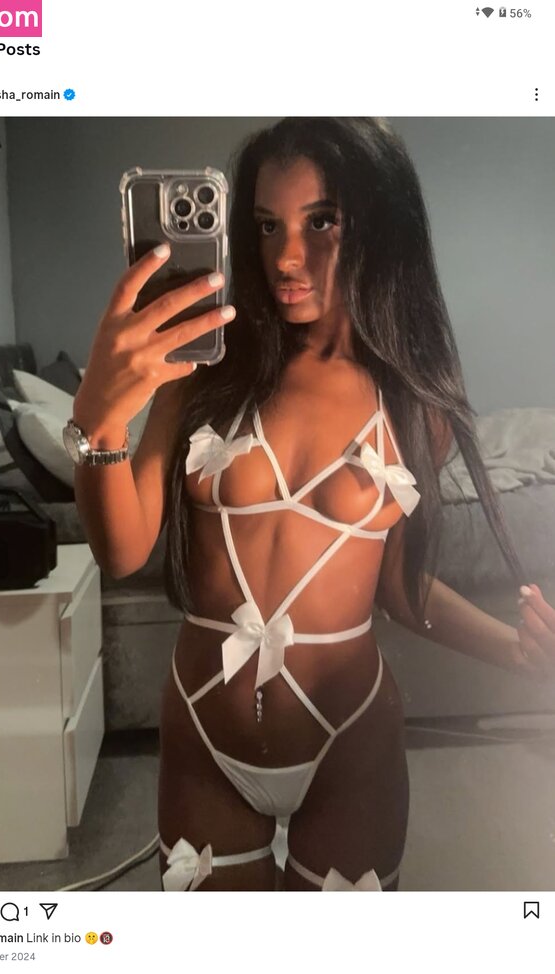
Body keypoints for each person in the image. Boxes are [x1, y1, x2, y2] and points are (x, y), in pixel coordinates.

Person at [72, 118, 555, 892]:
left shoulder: (412, 400)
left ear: (378, 227)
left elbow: (396, 585)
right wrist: (97, 419)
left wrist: (518, 652)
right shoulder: (205, 370)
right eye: (267, 226)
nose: (286, 258)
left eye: (321, 221)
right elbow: (123, 552)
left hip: (350, 734)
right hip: (204, 733)